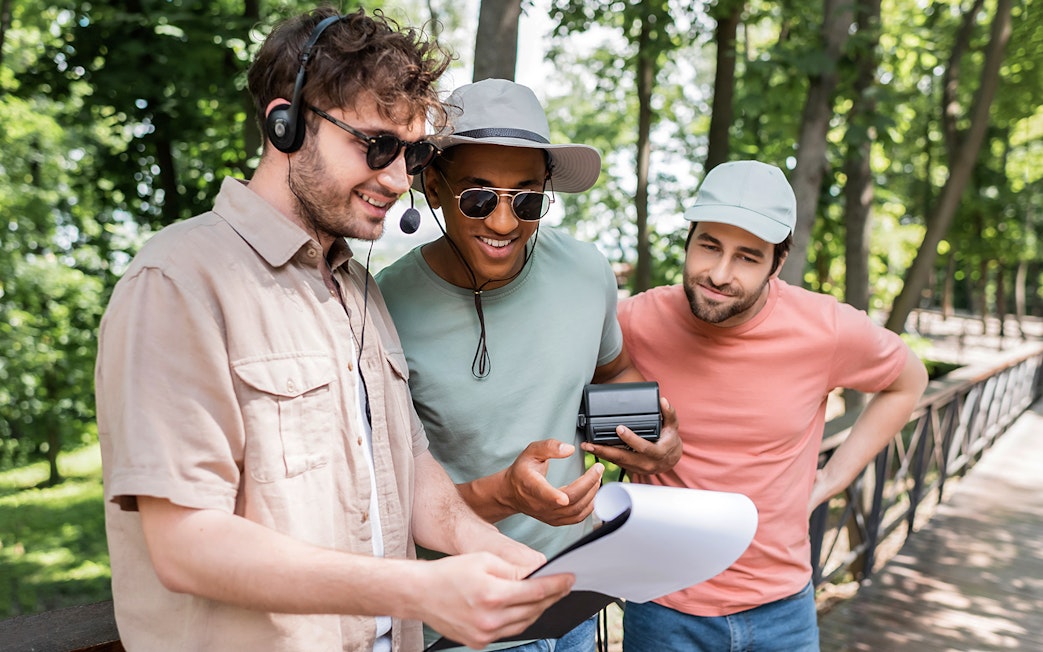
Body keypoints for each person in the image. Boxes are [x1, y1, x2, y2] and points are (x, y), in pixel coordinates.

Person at [94, 10, 576, 652]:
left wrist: (487, 549)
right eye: (376, 146)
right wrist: (417, 590)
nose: (399, 180)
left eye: (412, 154)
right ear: (283, 123)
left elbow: (405, 466)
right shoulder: (176, 282)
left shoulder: (359, 289)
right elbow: (185, 545)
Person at [375, 78, 681, 652]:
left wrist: (653, 437)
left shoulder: (587, 271)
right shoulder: (384, 307)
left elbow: (612, 373)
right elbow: (384, 499)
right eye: (479, 197)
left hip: (575, 597)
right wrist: (507, 494)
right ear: (435, 187)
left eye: (528, 199)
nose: (503, 223)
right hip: (464, 621)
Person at [616, 160, 929, 651]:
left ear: (776, 264)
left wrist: (832, 479)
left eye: (746, 257)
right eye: (709, 245)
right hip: (662, 606)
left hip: (783, 609)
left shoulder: (825, 328)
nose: (719, 274)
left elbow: (909, 381)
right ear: (689, 237)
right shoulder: (633, 320)